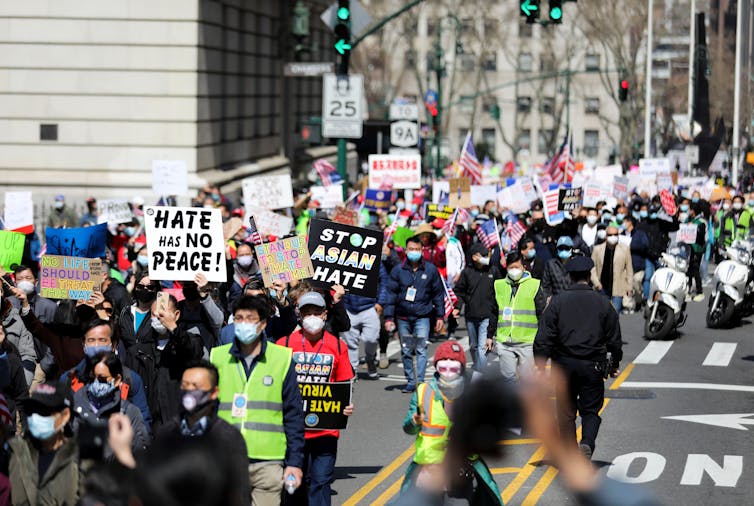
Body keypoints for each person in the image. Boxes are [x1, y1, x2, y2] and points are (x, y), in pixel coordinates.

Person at [210, 295, 305, 506]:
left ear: (262, 324)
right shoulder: (217, 357)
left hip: (268, 461)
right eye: (238, 318)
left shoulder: (281, 358)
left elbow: (293, 414)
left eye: (249, 318)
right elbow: (207, 411)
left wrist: (295, 462)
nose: (243, 323)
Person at [534, 255, 623, 459]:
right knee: (590, 410)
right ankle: (587, 443)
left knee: (565, 413)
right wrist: (615, 362)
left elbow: (545, 336)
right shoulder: (602, 303)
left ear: (570, 277)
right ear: (589, 276)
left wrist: (540, 362)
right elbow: (614, 337)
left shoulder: (557, 302)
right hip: (593, 364)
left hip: (564, 364)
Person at [399, 341, 503, 505]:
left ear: (461, 368)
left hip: (460, 472)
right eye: (443, 367)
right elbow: (408, 428)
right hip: (429, 472)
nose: (448, 372)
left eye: (453, 368)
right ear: (436, 367)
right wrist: (414, 421)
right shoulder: (423, 391)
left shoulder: (472, 392)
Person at [277, 292, 354, 506]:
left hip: (325, 431)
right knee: (293, 486)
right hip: (293, 432)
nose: (312, 316)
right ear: (298, 315)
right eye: (306, 312)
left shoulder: (338, 346)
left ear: (325, 315)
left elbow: (344, 385)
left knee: (321, 482)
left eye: (316, 312)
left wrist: (346, 406)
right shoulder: (283, 344)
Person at [152, 360, 250, 506]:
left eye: (195, 386)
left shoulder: (228, 437)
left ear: (214, 392)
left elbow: (240, 491)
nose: (189, 391)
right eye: (185, 385)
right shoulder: (167, 433)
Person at [61, 318, 152, 430]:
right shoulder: (69, 379)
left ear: (113, 345)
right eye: (91, 340)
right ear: (84, 345)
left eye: (102, 340)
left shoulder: (131, 379)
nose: (96, 345)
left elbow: (143, 423)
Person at [383, 235, 446, 393]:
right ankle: (411, 381)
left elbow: (438, 294)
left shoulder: (430, 270)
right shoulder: (398, 270)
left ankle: (421, 382)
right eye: (411, 249)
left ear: (422, 251)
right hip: (403, 317)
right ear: (406, 250)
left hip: (423, 316)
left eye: (417, 249)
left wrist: (440, 316)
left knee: (421, 349)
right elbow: (390, 294)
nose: (414, 252)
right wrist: (389, 318)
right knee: (405, 350)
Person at [8, 382, 79, 504]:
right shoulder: (15, 451)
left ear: (65, 416)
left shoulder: (79, 462)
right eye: (32, 410)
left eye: (44, 411)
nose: (36, 416)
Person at [71, 352, 149, 456]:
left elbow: (142, 451)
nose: (95, 383)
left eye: (102, 379)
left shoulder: (129, 412)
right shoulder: (75, 406)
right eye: (91, 378)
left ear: (117, 380)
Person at [490, 251, 546, 383]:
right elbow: (493, 311)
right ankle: (511, 403)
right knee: (508, 379)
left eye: (517, 267)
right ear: (506, 268)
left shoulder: (534, 284)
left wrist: (542, 338)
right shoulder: (499, 285)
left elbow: (541, 312)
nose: (514, 270)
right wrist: (489, 335)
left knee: (528, 380)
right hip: (505, 341)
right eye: (511, 267)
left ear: (524, 267)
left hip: (527, 341)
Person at [452, 243, 501, 371]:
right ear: (474, 257)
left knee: (482, 347)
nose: (486, 257)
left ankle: (481, 376)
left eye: (487, 254)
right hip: (471, 316)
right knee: (473, 346)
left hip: (488, 315)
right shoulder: (467, 272)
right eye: (483, 255)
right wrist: (457, 307)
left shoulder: (493, 270)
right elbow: (460, 291)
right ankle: (477, 365)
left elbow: (501, 290)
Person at [591, 225, 634, 312]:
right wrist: (596, 283)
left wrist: (629, 287)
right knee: (602, 314)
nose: (612, 237)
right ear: (606, 236)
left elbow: (629, 269)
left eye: (615, 234)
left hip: (618, 288)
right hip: (601, 288)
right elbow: (592, 267)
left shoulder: (625, 249)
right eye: (610, 235)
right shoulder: (597, 249)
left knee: (614, 314)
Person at [0, 283, 36, 384]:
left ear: (2, 293)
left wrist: (22, 384)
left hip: (13, 383)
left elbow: (27, 356)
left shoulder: (16, 318)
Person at [341, 290, 380, 379]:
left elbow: (383, 281)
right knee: (350, 343)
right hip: (349, 307)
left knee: (372, 339)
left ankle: (370, 359)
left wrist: (381, 302)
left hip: (369, 306)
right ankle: (353, 370)